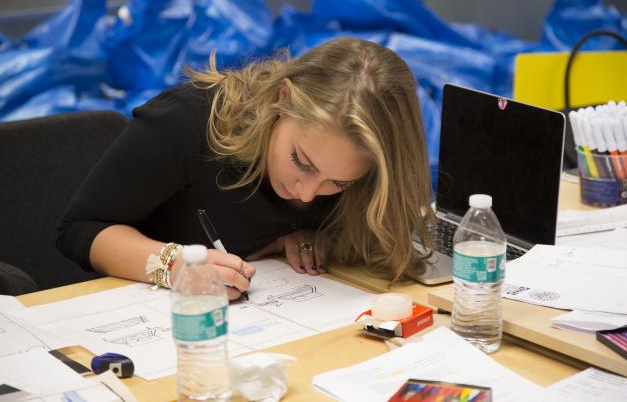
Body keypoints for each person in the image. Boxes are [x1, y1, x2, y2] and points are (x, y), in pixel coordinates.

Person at [57, 37, 435, 300]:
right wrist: (173, 266)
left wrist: (312, 238)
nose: (305, 193)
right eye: (301, 162)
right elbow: (80, 230)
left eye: (338, 183)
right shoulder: (189, 122)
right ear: (282, 100)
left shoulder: (368, 174)